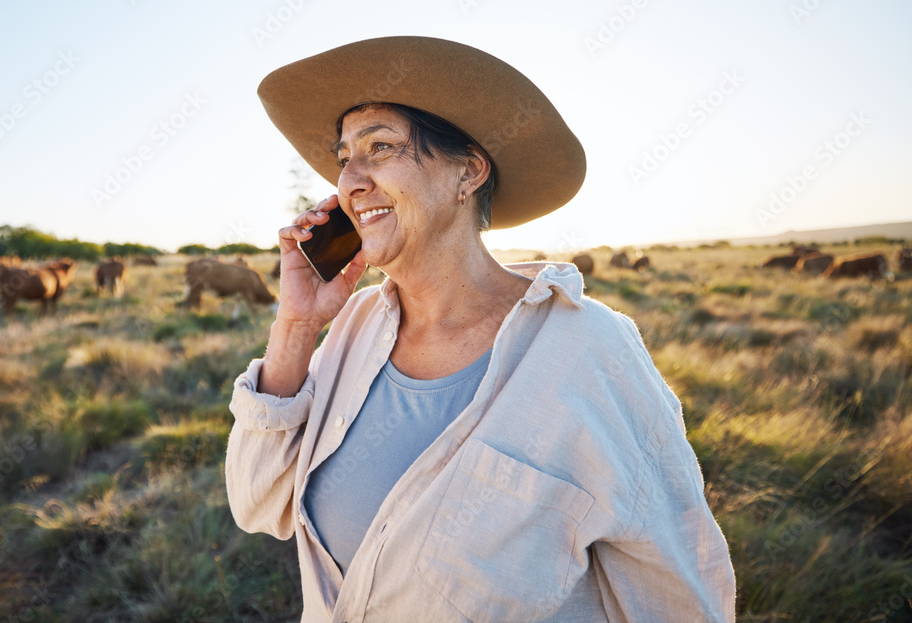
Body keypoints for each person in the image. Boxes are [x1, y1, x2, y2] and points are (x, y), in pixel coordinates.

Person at [225, 36, 736, 622]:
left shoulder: (590, 350)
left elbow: (677, 594)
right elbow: (258, 504)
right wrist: (296, 323)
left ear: (467, 173)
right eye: (345, 159)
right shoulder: (351, 329)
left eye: (381, 148)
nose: (351, 181)